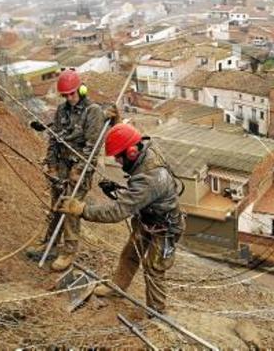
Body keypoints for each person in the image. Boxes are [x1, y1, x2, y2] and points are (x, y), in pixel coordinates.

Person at [56, 123, 184, 314]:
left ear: (131, 152)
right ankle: (117, 289)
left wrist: (82, 209)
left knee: (154, 269)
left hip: (165, 228)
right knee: (129, 255)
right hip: (148, 219)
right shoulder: (146, 149)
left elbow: (117, 212)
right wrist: (119, 190)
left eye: (119, 156)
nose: (117, 161)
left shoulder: (151, 176)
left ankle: (156, 314)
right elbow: (140, 194)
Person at [26, 69, 111, 271]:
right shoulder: (61, 111)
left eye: (72, 94)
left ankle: (69, 251)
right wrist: (52, 165)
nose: (69, 98)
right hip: (62, 165)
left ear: (80, 90)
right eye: (65, 95)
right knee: (56, 205)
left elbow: (92, 147)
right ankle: (50, 242)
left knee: (70, 209)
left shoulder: (93, 112)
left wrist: (79, 170)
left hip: (80, 168)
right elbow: (54, 139)